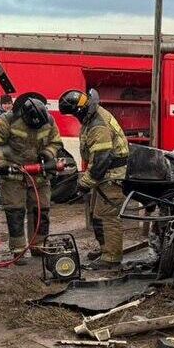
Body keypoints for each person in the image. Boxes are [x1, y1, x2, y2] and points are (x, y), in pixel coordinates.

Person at [0, 93, 64, 257]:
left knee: (41, 211)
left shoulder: (48, 120)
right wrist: (1, 165)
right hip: (13, 176)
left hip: (40, 176)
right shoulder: (8, 120)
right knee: (15, 212)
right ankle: (18, 250)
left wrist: (47, 154)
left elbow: (56, 142)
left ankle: (39, 246)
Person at [58, 88, 130, 266]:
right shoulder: (93, 115)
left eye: (74, 114)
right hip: (105, 175)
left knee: (108, 215)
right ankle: (105, 249)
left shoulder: (97, 124)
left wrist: (84, 184)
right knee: (97, 214)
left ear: (79, 110)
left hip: (111, 176)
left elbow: (101, 159)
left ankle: (111, 257)